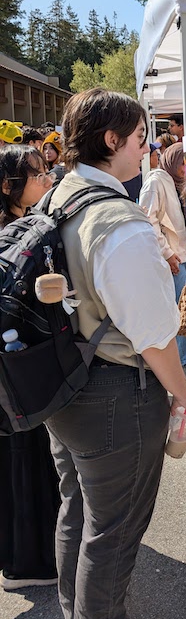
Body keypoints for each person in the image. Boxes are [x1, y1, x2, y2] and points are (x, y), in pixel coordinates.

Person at [44, 88, 186, 619]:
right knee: (114, 533)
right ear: (111, 140)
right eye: (138, 138)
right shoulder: (117, 221)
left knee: (78, 510)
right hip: (113, 394)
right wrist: (184, 394)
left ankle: (75, 615)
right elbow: (153, 335)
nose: (145, 149)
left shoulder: (58, 197)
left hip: (62, 380)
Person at [0, 146, 60, 591]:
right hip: (14, 364)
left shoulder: (26, 223)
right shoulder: (12, 233)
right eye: (36, 174)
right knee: (22, 457)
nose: (46, 179)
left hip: (19, 359)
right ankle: (27, 563)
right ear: (8, 186)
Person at [139, 142, 186, 372]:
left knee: (183, 304)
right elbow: (147, 220)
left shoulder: (180, 181)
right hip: (171, 257)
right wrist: (168, 253)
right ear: (172, 160)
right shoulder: (157, 181)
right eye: (182, 162)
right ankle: (185, 355)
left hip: (184, 254)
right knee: (180, 307)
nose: (185, 167)